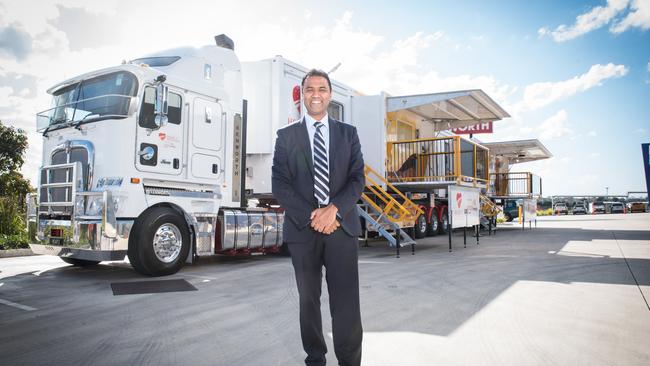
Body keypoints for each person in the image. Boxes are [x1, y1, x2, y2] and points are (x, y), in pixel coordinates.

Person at [272, 69, 365, 366]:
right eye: (310, 88)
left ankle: (349, 362)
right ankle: (315, 359)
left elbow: (357, 179)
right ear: (302, 94)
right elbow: (280, 184)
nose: (316, 94)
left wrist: (333, 209)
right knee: (308, 301)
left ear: (330, 94)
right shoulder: (286, 137)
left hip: (342, 227)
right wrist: (315, 216)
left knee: (346, 302)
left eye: (322, 89)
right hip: (303, 230)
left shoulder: (348, 133)